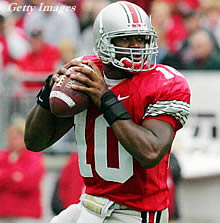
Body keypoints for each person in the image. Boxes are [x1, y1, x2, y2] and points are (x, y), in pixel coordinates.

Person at [24, 1, 191, 223]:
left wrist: (105, 99)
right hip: (89, 202)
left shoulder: (164, 83)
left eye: (141, 39)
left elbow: (150, 153)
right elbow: (35, 143)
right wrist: (46, 95)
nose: (136, 47)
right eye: (126, 39)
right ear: (103, 41)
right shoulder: (87, 73)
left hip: (134, 212)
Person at [0, 117, 45, 223]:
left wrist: (6, 176)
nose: (11, 140)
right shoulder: (3, 156)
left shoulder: (34, 156)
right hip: (3, 213)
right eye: (10, 137)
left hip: (26, 215)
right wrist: (13, 176)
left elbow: (28, 183)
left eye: (15, 137)